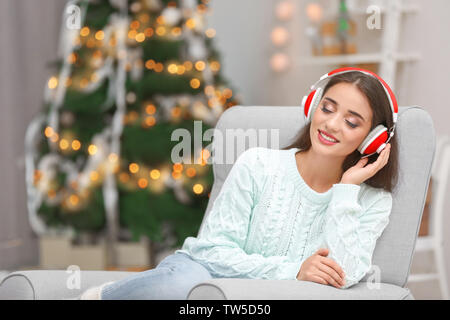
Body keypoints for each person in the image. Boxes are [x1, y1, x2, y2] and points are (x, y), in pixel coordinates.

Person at [79, 68, 399, 299]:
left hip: (255, 298)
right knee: (175, 288)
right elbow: (212, 251)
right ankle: (104, 297)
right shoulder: (258, 163)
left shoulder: (371, 201)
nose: (331, 123)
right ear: (312, 107)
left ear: (374, 139)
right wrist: (294, 270)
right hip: (205, 273)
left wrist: (346, 189)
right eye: (327, 109)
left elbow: (342, 277)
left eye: (351, 121)